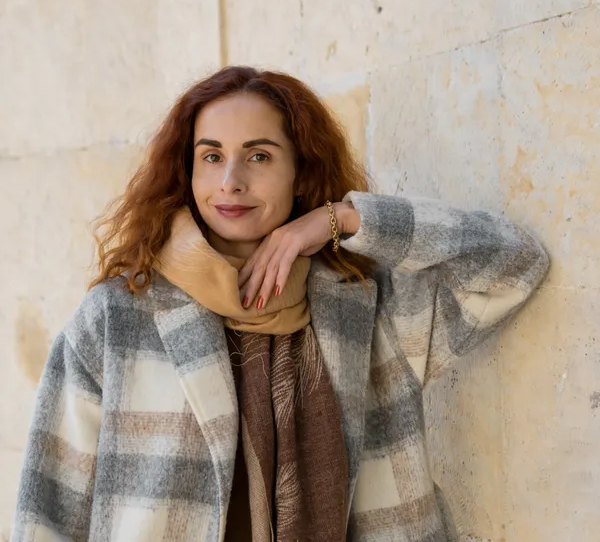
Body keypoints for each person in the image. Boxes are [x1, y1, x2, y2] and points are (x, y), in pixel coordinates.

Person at [11, 66, 549, 542]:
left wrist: (342, 220)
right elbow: (49, 507)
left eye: (259, 156)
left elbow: (514, 264)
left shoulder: (369, 304)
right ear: (188, 172)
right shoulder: (118, 317)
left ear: (300, 172)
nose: (231, 182)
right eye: (212, 156)